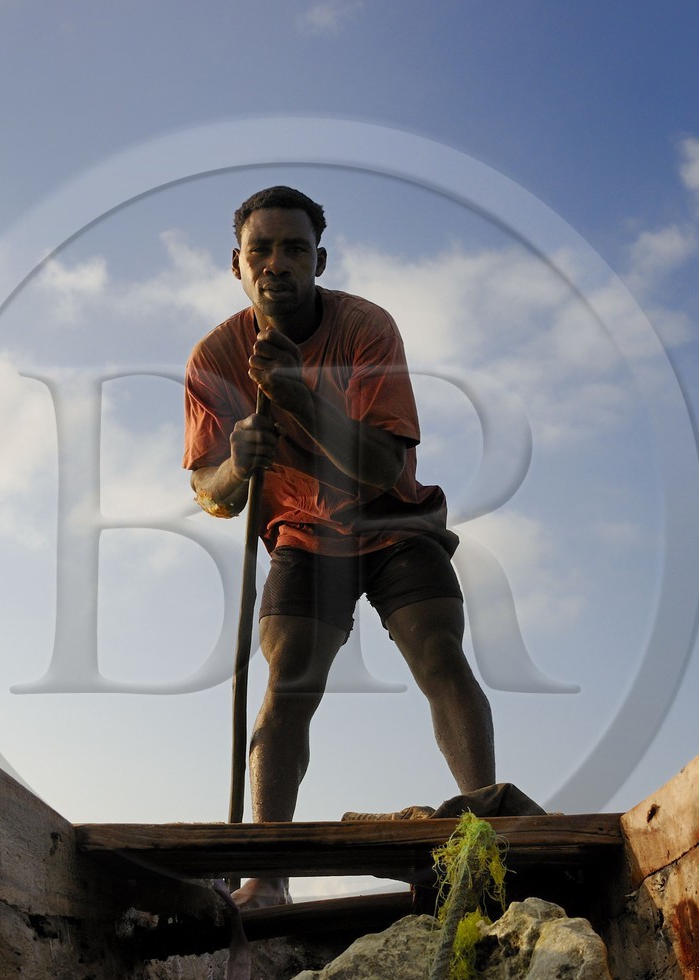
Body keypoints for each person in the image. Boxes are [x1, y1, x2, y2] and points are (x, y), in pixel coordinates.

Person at [184, 186, 496, 909]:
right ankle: (266, 875)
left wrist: (299, 398)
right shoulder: (215, 357)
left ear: (319, 260)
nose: (277, 264)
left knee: (438, 650)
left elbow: (384, 466)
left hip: (393, 518)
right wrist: (239, 460)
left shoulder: (366, 330)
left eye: (294, 249)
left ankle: (486, 835)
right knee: (287, 677)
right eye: (260, 250)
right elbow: (214, 492)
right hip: (302, 531)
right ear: (236, 265)